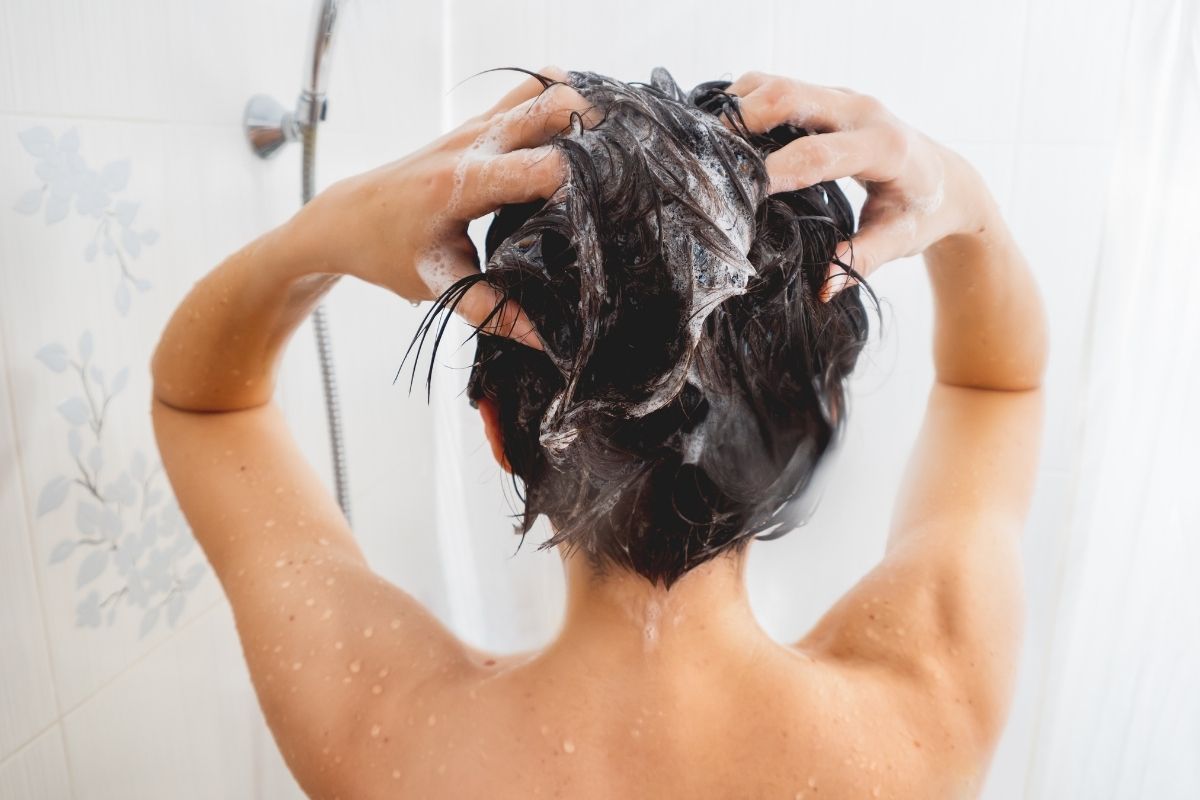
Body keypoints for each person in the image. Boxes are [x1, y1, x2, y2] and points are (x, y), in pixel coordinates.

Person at [150, 67, 1046, 799]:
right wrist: (962, 198)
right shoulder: (920, 717)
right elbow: (1000, 385)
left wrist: (325, 228)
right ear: (820, 425)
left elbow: (203, 404)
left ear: (499, 431)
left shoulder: (386, 736)